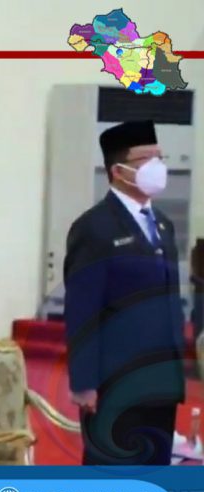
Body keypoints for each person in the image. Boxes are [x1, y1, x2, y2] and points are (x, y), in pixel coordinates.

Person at [64, 120, 186, 465]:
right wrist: (84, 382)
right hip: (115, 381)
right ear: (118, 171)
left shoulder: (162, 224)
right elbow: (82, 309)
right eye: (146, 159)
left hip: (160, 379)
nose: (157, 166)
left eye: (159, 157)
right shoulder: (94, 227)